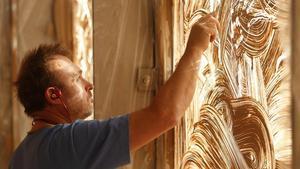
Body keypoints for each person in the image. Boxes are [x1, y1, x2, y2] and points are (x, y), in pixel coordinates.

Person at [9, 13, 219, 169]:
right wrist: (195, 49)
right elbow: (164, 115)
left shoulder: (20, 156)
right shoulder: (69, 142)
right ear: (54, 95)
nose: (88, 84)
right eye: (76, 79)